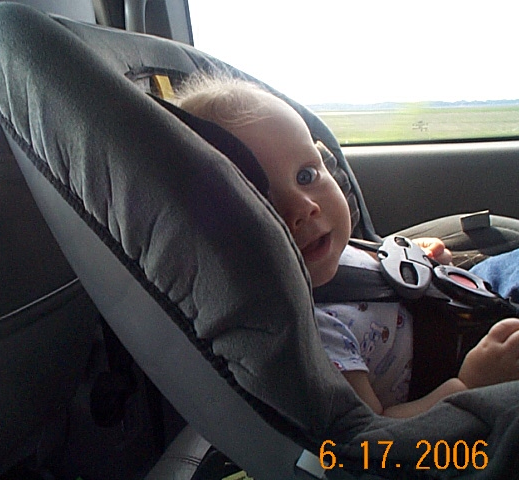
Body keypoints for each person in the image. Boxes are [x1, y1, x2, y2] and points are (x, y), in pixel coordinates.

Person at [175, 75, 519, 418]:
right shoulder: (314, 337)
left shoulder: (329, 248)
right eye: (261, 201)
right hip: (457, 375)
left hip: (464, 307)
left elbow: (376, 274)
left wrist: (418, 262)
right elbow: (378, 433)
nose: (304, 207)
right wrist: (470, 385)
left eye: (306, 176)